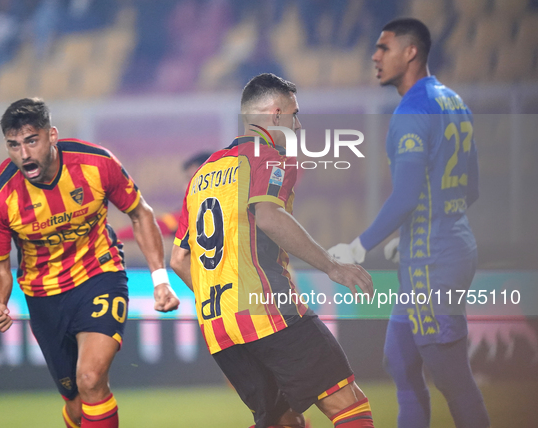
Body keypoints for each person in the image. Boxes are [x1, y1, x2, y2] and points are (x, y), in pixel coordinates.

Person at [170, 73, 375, 428]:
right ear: (276, 115)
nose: (299, 123)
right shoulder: (269, 156)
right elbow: (269, 216)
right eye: (295, 114)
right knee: (349, 406)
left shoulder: (203, 173)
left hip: (219, 326)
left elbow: (178, 259)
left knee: (283, 422)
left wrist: (223, 301)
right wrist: (332, 266)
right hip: (269, 312)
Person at [328, 18, 490, 428]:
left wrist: (359, 246)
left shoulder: (412, 112)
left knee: (452, 378)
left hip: (433, 260)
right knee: (399, 359)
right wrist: (415, 231)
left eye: (384, 48)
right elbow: (469, 187)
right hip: (443, 248)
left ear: (410, 52)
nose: (374, 56)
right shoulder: (453, 101)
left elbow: (406, 196)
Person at [0, 98, 180, 428]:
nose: (24, 154)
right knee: (76, 407)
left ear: (52, 135)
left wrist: (161, 279)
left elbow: (140, 212)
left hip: (99, 273)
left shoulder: (95, 163)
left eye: (32, 141)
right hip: (44, 296)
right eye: (14, 145)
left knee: (90, 378)